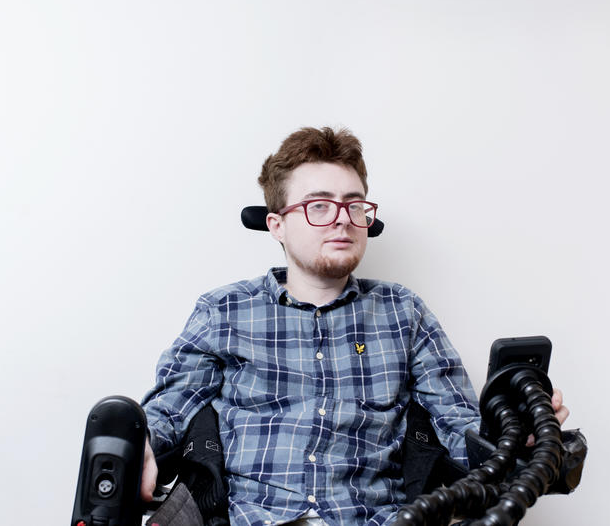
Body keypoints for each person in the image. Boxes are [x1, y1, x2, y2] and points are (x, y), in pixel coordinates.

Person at [139, 127, 569, 525]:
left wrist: (516, 439)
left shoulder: (403, 312)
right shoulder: (224, 310)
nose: (343, 218)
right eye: (319, 205)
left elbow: (459, 426)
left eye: (354, 204)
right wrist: (136, 446)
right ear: (277, 224)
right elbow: (167, 413)